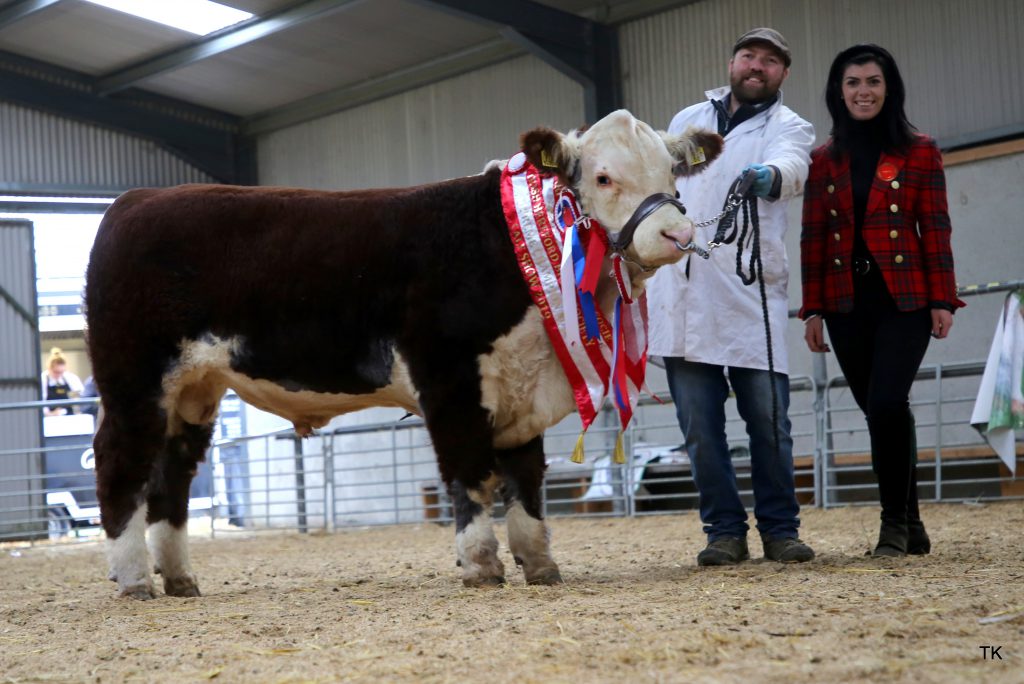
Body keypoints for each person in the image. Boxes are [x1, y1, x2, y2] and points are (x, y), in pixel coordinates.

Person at [648, 28, 816, 566]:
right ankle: (723, 531)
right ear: (732, 62)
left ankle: (780, 531)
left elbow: (794, 167)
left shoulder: (789, 126)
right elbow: (660, 183)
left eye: (770, 61)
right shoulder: (685, 121)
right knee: (699, 432)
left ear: (782, 74)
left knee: (770, 425)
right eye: (749, 56)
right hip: (684, 291)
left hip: (749, 294)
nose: (757, 66)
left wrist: (767, 175)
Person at [799, 44, 965, 557]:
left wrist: (942, 297)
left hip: (906, 299)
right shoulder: (823, 159)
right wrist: (812, 309)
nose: (863, 91)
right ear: (838, 91)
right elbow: (812, 237)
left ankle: (892, 523)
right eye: (853, 82)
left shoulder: (919, 148)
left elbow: (935, 227)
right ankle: (912, 522)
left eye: (872, 81)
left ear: (888, 88)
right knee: (882, 413)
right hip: (846, 303)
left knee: (887, 402)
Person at [41, 347, 84, 416]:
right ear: (49, 368)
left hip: (69, 415)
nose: (59, 375)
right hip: (49, 418)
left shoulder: (70, 377)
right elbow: (41, 401)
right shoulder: (43, 379)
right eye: (56, 372)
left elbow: (82, 394)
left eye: (61, 372)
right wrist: (50, 414)